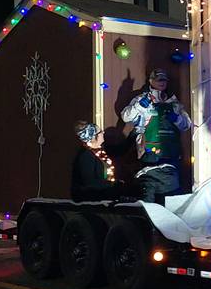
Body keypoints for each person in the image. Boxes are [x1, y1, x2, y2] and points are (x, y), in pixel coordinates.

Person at [121, 68, 191, 204]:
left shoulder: (173, 102)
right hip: (149, 154)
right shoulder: (142, 99)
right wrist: (139, 107)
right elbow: (126, 117)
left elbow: (186, 125)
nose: (161, 82)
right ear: (151, 81)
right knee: (149, 193)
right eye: (158, 79)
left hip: (170, 153)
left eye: (164, 80)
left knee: (170, 196)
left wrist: (176, 118)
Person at [71, 121, 122, 202]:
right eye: (100, 132)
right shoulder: (86, 155)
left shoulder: (99, 150)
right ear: (94, 137)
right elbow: (89, 182)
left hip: (103, 196)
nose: (103, 132)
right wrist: (112, 185)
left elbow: (120, 150)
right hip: (92, 201)